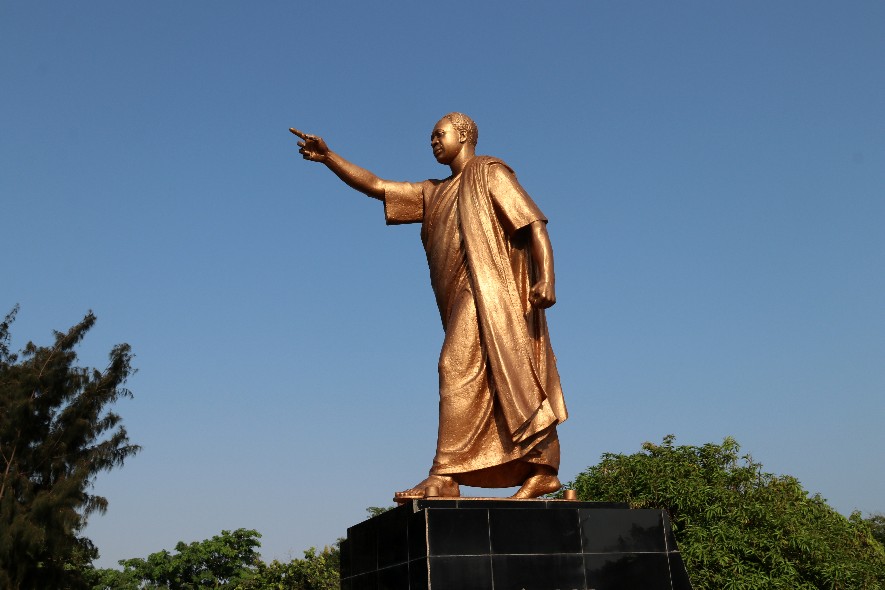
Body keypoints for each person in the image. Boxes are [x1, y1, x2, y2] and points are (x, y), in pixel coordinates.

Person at [290, 113, 567, 499]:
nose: (433, 141)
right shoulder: (433, 192)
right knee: (490, 379)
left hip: (491, 293)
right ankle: (539, 467)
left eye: (440, 134)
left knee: (454, 365)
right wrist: (329, 157)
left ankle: (445, 476)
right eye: (431, 137)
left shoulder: (489, 173)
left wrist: (547, 278)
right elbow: (377, 186)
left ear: (464, 135)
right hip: (461, 298)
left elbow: (534, 223)